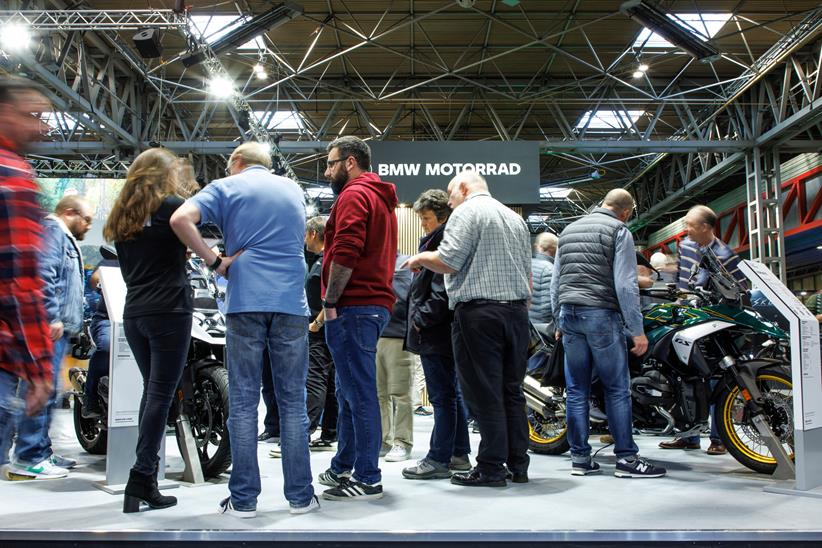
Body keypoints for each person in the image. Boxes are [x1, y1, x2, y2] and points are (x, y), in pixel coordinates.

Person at [171, 142, 318, 516]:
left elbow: (180, 220)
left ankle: (244, 500)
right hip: (290, 304)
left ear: (237, 163)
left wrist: (215, 261)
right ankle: (300, 498)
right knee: (293, 403)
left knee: (243, 402)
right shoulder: (292, 189)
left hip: (246, 301)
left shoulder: (226, 186)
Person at [403, 170, 531, 487]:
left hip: (479, 314)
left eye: (451, 194)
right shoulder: (514, 218)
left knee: (484, 394)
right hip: (515, 314)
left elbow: (449, 260)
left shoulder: (466, 212)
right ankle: (518, 464)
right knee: (511, 393)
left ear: (463, 188)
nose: (449, 201)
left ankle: (490, 468)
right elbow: (527, 277)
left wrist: (420, 257)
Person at [103, 149, 195, 512]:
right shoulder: (173, 205)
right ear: (164, 174)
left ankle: (143, 479)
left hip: (135, 311)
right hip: (170, 310)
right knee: (161, 395)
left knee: (153, 394)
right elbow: (192, 237)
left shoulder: (122, 214)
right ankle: (141, 476)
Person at [551, 189, 666, 479]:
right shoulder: (619, 230)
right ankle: (627, 459)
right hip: (601, 315)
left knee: (576, 391)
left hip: (570, 314)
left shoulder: (568, 230)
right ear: (626, 211)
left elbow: (556, 282)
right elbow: (626, 284)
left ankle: (580, 458)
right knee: (616, 389)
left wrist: (558, 321)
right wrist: (637, 330)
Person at [316, 136, 398, 501]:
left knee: (360, 394)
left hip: (354, 305)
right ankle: (343, 465)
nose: (327, 170)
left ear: (350, 162)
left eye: (331, 163)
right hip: (371, 305)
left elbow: (347, 250)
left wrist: (331, 300)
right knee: (350, 391)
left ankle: (367, 476)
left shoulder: (353, 195)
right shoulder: (379, 197)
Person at [10, 195, 93, 479]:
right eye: (87, 219)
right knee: (41, 390)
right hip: (50, 327)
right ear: (70, 212)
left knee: (52, 392)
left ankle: (41, 451)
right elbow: (44, 275)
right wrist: (51, 316)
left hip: (59, 328)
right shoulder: (53, 232)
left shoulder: (61, 236)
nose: (88, 226)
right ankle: (28, 455)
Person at [0, 78, 54, 479]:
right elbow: (20, 281)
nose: (42, 128)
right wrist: (39, 367)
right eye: (33, 116)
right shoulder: (12, 175)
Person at [659, 205, 741, 456]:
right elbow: (682, 284)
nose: (686, 230)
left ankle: (718, 438)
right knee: (685, 374)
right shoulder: (686, 247)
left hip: (715, 323)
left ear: (705, 227)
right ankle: (689, 435)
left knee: (718, 377)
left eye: (689, 225)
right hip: (689, 319)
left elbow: (737, 290)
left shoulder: (725, 254)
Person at [402, 189, 471, 480]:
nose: (422, 224)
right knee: (450, 395)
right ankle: (458, 454)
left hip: (435, 330)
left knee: (442, 398)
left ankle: (438, 458)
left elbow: (441, 291)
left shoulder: (443, 241)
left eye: (426, 218)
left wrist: (420, 320)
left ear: (441, 217)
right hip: (442, 330)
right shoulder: (438, 239)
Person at [376, 253, 415, 463]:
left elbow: (410, 298)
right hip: (375, 334)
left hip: (398, 335)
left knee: (401, 393)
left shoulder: (406, 264)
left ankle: (403, 441)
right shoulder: (373, 260)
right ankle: (384, 439)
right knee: (379, 393)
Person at [304, 216, 337, 450]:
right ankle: (329, 433)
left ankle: (305, 432)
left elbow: (329, 298)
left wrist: (317, 323)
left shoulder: (323, 262)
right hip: (330, 329)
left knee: (315, 379)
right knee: (332, 382)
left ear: (313, 234)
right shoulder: (326, 260)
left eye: (306, 234)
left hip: (320, 329)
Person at [81, 246, 119, 419]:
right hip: (107, 319)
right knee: (108, 347)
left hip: (138, 320)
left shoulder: (150, 263)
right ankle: (91, 398)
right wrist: (102, 282)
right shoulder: (112, 262)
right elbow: (96, 278)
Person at [530, 232, 558, 325]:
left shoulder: (526, 264)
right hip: (542, 327)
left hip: (526, 325)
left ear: (537, 246)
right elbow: (549, 304)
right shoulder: (551, 269)